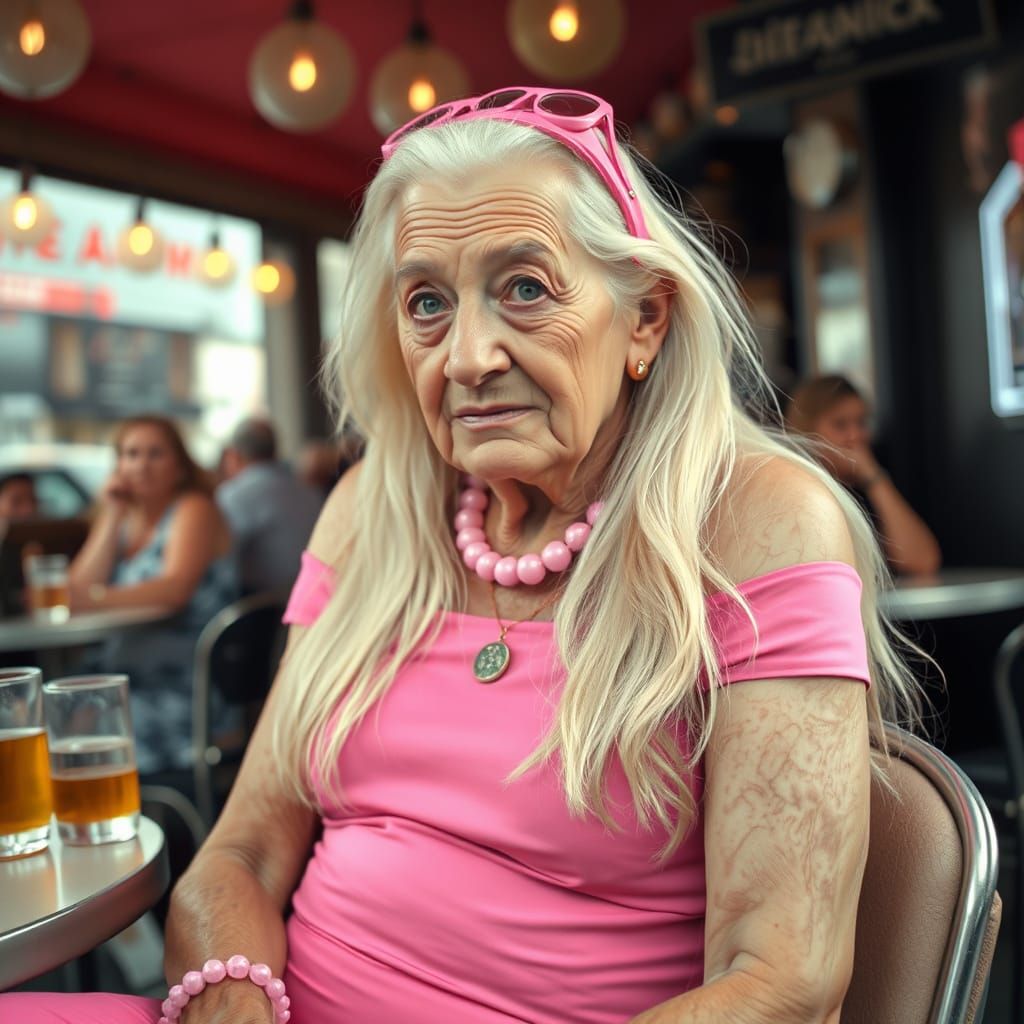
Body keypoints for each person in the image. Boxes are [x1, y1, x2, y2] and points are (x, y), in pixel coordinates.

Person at [3, 87, 921, 1024]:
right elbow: (239, 854)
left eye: (525, 288)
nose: (469, 356)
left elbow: (783, 982)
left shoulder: (759, 521)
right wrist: (230, 1000)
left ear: (644, 317)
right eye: (428, 303)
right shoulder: (373, 508)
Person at [66, 415, 238, 774]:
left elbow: (175, 589)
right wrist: (112, 514)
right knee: (48, 715)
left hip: (186, 685)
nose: (141, 465)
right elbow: (75, 591)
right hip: (123, 677)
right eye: (131, 454)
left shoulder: (194, 508)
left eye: (155, 454)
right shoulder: (125, 522)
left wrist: (94, 599)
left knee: (68, 733)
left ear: (180, 466)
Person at [785, 374, 942, 576]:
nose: (856, 435)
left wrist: (873, 476)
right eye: (840, 424)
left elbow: (922, 561)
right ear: (807, 430)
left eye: (861, 423)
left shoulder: (865, 489)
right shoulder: (796, 491)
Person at [217, 418, 322, 594]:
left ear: (234, 456)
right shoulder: (308, 489)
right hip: (314, 595)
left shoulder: (233, 495)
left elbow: (219, 560)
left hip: (262, 603)